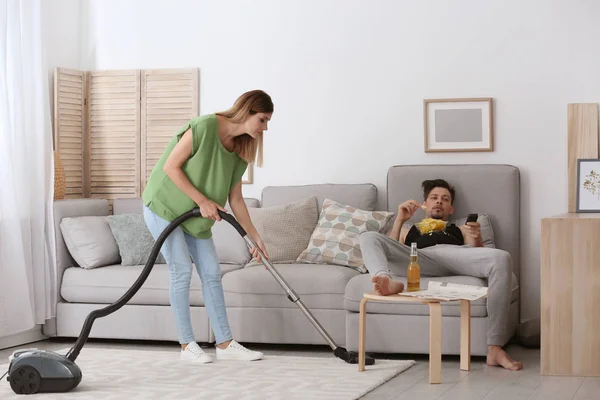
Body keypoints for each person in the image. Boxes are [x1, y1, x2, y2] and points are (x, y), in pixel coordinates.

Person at [142, 90, 273, 364]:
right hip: (164, 207)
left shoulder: (240, 150)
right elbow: (171, 166)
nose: (265, 128)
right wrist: (202, 200)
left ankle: (225, 344)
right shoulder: (204, 127)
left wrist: (255, 237)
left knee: (212, 273)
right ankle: (187, 345)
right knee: (181, 269)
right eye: (262, 120)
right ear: (247, 111)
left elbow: (236, 199)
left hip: (196, 217)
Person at [358, 179, 523, 371]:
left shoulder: (461, 229)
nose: (439, 202)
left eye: (445, 199)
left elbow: (478, 257)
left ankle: (494, 348)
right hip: (416, 257)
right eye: (434, 198)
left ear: (451, 208)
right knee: (367, 236)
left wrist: (477, 237)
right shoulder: (407, 229)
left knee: (502, 257)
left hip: (453, 256)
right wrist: (400, 219)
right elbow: (390, 249)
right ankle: (386, 280)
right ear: (424, 204)